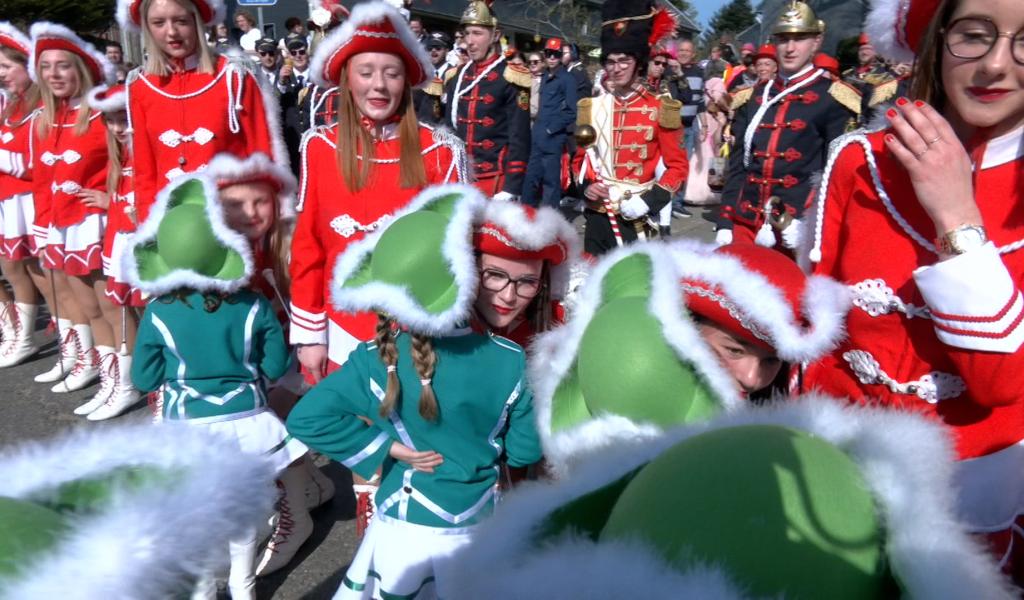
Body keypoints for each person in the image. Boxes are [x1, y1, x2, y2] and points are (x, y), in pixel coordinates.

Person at [802, 0, 1024, 583]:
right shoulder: (859, 160)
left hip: (981, 503)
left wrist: (956, 215)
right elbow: (818, 338)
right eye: (974, 35)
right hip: (840, 486)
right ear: (937, 39)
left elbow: (1000, 381)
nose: (995, 65)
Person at [286, 183, 542, 599]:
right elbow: (525, 452)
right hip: (477, 523)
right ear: (466, 278)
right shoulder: (510, 357)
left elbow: (304, 418)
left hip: (403, 525)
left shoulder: (374, 357)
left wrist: (388, 449)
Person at [127, 173, 307, 600]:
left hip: (187, 423)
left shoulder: (158, 313)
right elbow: (278, 364)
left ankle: (205, 588)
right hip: (248, 420)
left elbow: (143, 379)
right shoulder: (253, 304)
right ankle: (243, 588)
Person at [526, 240, 851, 473]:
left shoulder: (785, 419)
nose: (752, 378)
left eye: (770, 361)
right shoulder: (633, 385)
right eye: (734, 350)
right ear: (688, 329)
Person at [289, 1, 468, 381]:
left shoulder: (440, 151)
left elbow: (456, 256)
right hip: (341, 332)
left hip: (418, 335)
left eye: (392, 74)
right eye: (366, 72)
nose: (379, 85)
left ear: (406, 81)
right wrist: (310, 337)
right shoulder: (319, 147)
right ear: (346, 78)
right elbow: (308, 249)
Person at [118, 0, 287, 216]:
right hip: (170, 224)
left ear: (197, 21)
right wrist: (147, 230)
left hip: (234, 220)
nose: (171, 32)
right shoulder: (140, 86)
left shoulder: (234, 77)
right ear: (147, 27)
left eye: (181, 21)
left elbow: (263, 155)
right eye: (158, 23)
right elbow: (144, 173)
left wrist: (272, 221)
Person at [716, 1, 860, 251]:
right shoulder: (751, 97)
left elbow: (836, 174)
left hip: (797, 228)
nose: (790, 48)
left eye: (800, 38)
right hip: (747, 224)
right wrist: (726, 220)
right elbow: (738, 166)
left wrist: (812, 226)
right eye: (783, 39)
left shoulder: (834, 97)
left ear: (816, 42)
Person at [28, 23, 116, 395]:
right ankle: (97, 367)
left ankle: (128, 381)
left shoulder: (103, 113)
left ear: (81, 68)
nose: (53, 75)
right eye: (46, 67)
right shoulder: (47, 117)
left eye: (62, 66)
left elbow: (130, 165)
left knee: (111, 308)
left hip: (93, 225)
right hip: (61, 224)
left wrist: (112, 200)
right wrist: (43, 227)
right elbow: (41, 180)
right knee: (83, 305)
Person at [574, 0, 687, 256]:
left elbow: (678, 168)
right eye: (610, 62)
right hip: (597, 215)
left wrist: (648, 202)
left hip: (635, 217)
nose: (617, 68)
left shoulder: (661, 107)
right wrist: (585, 188)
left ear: (638, 62)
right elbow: (579, 162)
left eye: (624, 60)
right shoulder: (591, 107)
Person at [70, 83, 142, 421]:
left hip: (144, 243)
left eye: (124, 118)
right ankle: (120, 381)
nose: (118, 128)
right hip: (119, 239)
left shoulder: (146, 150)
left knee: (146, 316)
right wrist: (110, 201)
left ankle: (151, 389)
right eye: (111, 120)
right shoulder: (119, 155)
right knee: (122, 309)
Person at [443, 0, 532, 200]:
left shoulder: (512, 76)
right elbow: (449, 129)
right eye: (467, 33)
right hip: (458, 179)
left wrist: (511, 187)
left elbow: (519, 137)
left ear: (495, 35)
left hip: (494, 181)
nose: (470, 41)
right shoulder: (456, 77)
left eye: (477, 33)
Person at [0, 23, 43, 368]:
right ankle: (15, 332)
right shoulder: (11, 104)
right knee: (12, 267)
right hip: (8, 197)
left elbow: (36, 164)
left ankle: (24, 336)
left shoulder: (40, 104)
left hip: (27, 200)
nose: (0, 76)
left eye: (5, 67)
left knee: (38, 270)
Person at [522, 38, 577, 210]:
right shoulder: (545, 76)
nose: (552, 57)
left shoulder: (568, 79)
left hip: (553, 138)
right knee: (531, 178)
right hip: (537, 135)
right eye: (548, 54)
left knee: (550, 183)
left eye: (556, 54)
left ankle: (549, 224)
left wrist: (551, 128)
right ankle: (526, 215)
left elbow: (571, 111)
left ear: (561, 56)